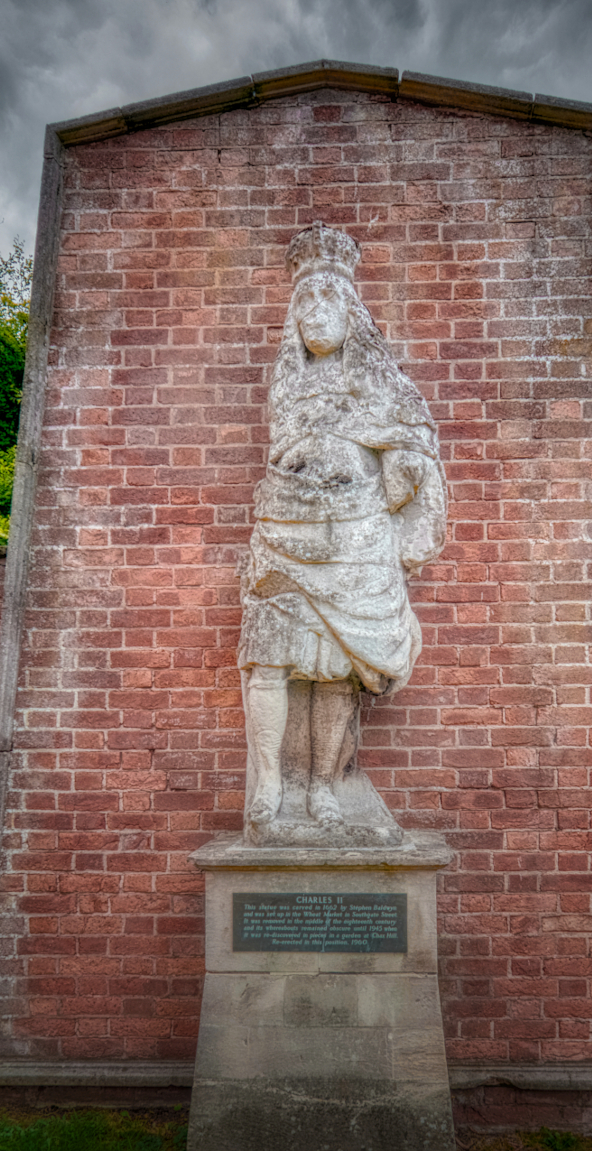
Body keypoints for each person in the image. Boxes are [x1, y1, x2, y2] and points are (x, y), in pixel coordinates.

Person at [238, 223, 447, 829]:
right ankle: (271, 783)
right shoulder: (286, 383)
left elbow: (415, 448)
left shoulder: (382, 385)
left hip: (355, 540)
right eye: (304, 304)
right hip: (283, 529)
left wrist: (403, 470)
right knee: (270, 657)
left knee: (336, 668)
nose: (316, 314)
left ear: (352, 314)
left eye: (329, 301)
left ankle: (325, 787)